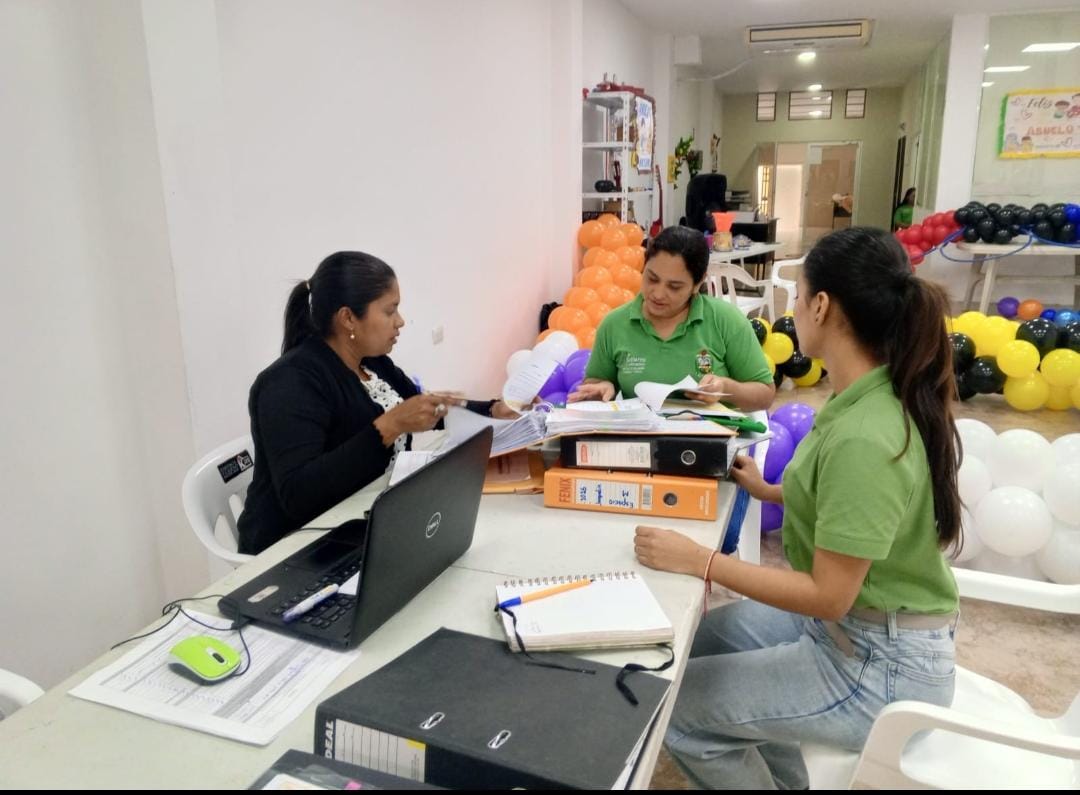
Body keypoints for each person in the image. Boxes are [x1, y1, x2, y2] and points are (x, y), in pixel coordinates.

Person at [633, 226, 961, 789]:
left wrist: (700, 561)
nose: (793, 312)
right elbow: (851, 503)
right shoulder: (864, 392)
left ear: (822, 306)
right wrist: (770, 491)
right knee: (697, 641)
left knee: (677, 711)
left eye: (799, 297)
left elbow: (829, 596)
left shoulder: (866, 434)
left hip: (878, 664)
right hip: (854, 629)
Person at [238, 251, 514, 555]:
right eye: (389, 311)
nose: (401, 321)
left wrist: (492, 409)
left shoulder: (372, 361)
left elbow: (420, 408)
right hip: (296, 548)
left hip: (368, 519)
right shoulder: (289, 383)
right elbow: (300, 495)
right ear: (348, 318)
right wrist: (388, 427)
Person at [568, 226, 775, 411]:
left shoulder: (725, 320)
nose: (658, 294)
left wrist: (726, 387)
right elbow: (595, 384)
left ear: (697, 283)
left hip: (711, 438)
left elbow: (765, 394)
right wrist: (603, 388)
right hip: (639, 439)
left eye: (674, 287)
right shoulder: (614, 324)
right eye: (652, 279)